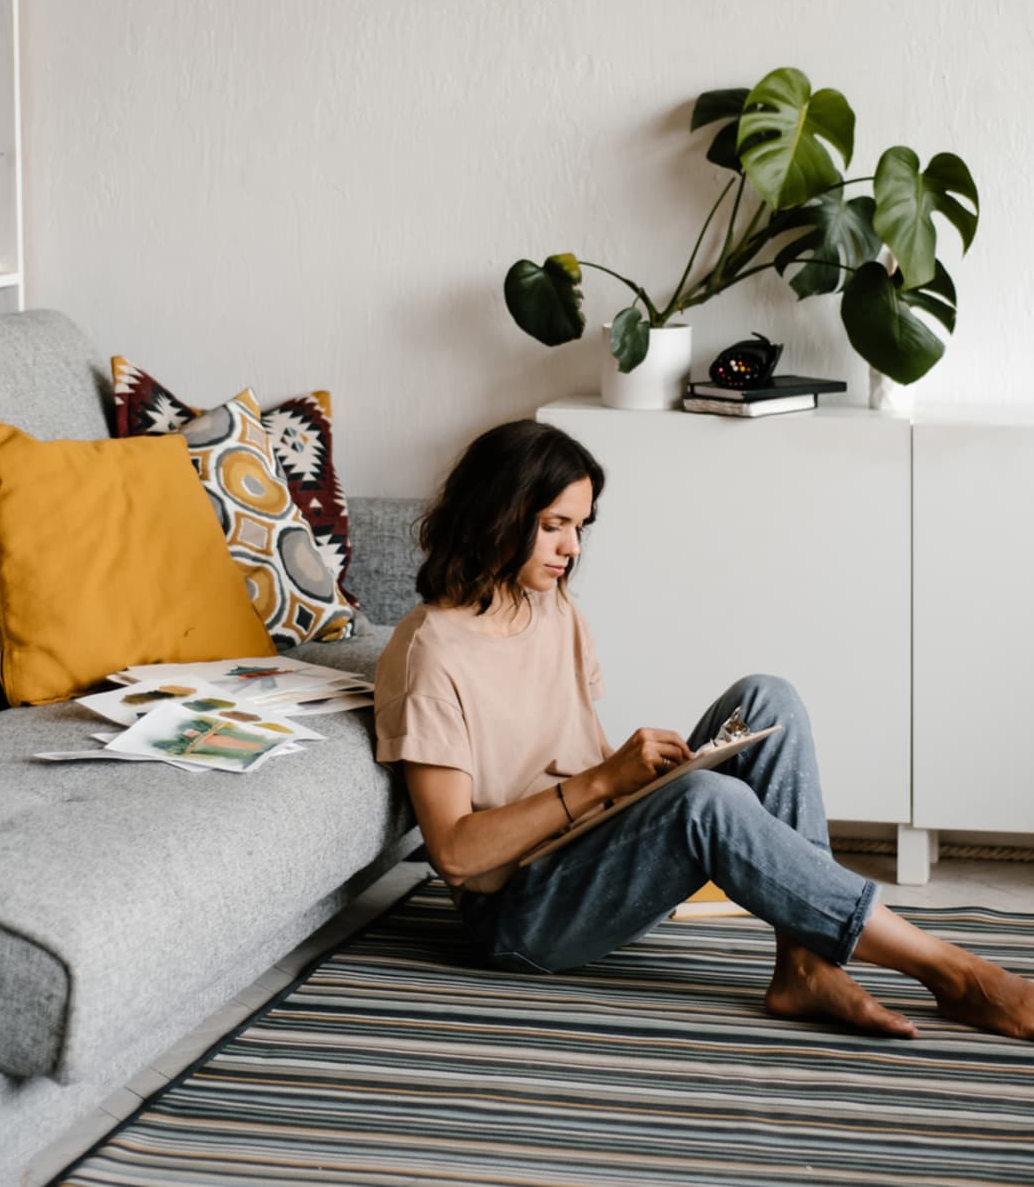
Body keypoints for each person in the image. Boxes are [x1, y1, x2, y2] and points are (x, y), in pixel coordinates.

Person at [374, 418, 1034, 1039]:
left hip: (589, 857)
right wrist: (609, 780)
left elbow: (570, 751)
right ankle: (955, 972)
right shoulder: (431, 654)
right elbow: (455, 855)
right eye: (554, 526)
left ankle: (806, 967)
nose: (572, 549)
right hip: (521, 917)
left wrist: (630, 781)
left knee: (767, 700)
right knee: (706, 802)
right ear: (498, 514)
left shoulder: (549, 605)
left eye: (579, 526)